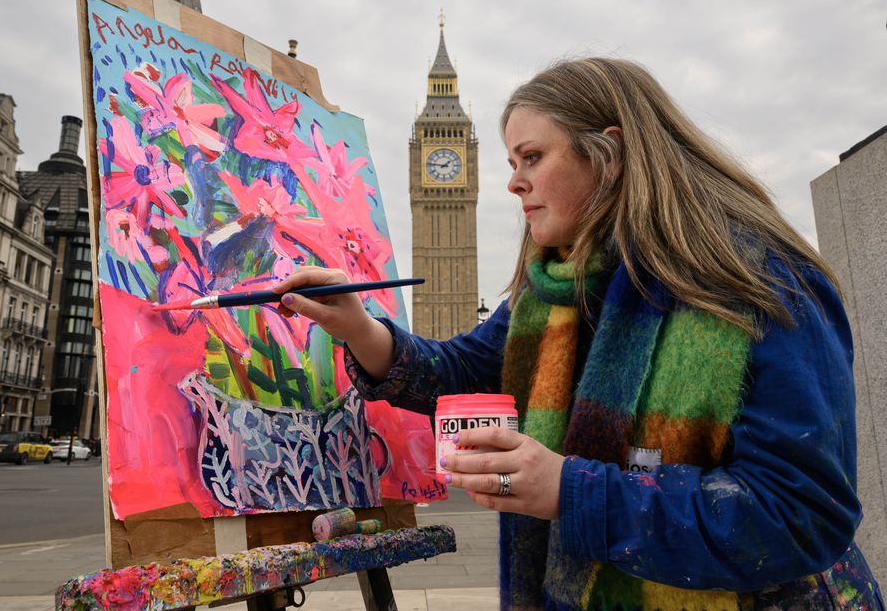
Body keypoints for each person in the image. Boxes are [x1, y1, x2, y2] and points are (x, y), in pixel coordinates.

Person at [275, 58, 884, 610]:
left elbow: (801, 514)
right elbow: (461, 371)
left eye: (532, 158)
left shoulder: (758, 284)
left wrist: (569, 491)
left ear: (608, 154)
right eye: (511, 163)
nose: (514, 182)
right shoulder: (551, 292)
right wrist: (356, 325)